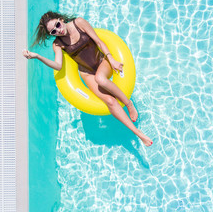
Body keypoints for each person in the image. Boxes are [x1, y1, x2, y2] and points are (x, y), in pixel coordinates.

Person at [23, 11, 153, 147]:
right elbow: (58, 65)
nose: (58, 30)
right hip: (87, 73)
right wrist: (37, 56)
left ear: (61, 19)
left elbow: (99, 41)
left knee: (101, 79)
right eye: (53, 31)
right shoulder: (57, 44)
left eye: (58, 25)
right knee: (109, 101)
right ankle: (138, 134)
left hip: (102, 61)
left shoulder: (78, 23)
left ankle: (128, 104)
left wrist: (112, 59)